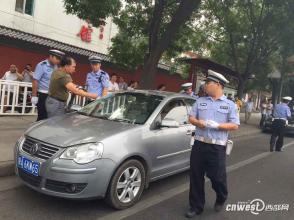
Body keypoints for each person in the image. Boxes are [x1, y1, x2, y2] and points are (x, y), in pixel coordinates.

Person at [186, 69, 239, 218]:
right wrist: (198, 122)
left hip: (217, 147)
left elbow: (235, 125)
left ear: (217, 84)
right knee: (196, 176)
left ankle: (221, 196)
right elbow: (191, 118)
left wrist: (218, 126)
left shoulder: (230, 105)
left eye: (207, 82)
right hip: (199, 144)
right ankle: (196, 206)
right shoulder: (200, 101)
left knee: (217, 177)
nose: (205, 85)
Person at [32, 49, 65, 121]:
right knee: (42, 117)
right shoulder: (42, 65)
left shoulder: (56, 67)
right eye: (57, 58)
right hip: (43, 95)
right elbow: (35, 80)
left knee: (49, 116)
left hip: (52, 96)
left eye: (59, 59)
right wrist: (34, 96)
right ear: (51, 56)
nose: (58, 61)